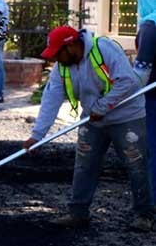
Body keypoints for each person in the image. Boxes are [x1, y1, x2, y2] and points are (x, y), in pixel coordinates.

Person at [23, 26, 154, 231]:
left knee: (136, 164)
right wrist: (38, 135)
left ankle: (144, 215)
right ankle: (78, 213)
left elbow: (127, 81)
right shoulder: (63, 66)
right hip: (93, 119)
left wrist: (103, 106)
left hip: (126, 116)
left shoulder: (104, 49)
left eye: (59, 53)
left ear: (72, 45)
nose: (56, 59)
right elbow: (51, 98)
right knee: (84, 164)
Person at [133, 0, 156, 200]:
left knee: (154, 149)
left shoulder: (150, 26)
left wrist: (129, 94)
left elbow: (142, 70)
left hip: (153, 97)